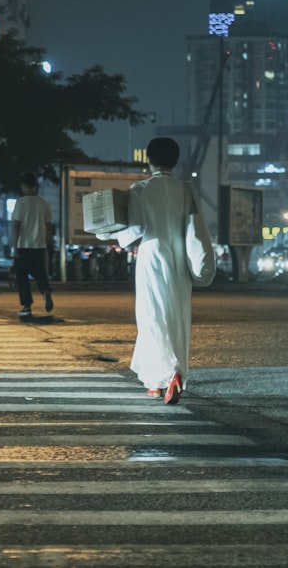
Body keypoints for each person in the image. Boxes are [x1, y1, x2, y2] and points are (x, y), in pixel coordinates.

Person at [100, 137, 190, 405]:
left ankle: (165, 375)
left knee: (152, 317)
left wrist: (111, 235)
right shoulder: (186, 190)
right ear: (175, 161)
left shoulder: (140, 189)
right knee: (177, 317)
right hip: (180, 258)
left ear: (148, 160)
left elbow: (136, 229)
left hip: (152, 256)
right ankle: (164, 378)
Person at [12, 172, 54, 318]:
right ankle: (45, 291)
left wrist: (14, 246)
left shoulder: (21, 203)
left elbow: (16, 225)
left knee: (22, 277)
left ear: (24, 186)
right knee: (39, 273)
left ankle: (27, 306)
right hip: (39, 245)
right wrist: (47, 241)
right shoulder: (44, 204)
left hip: (23, 245)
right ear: (35, 186)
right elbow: (49, 225)